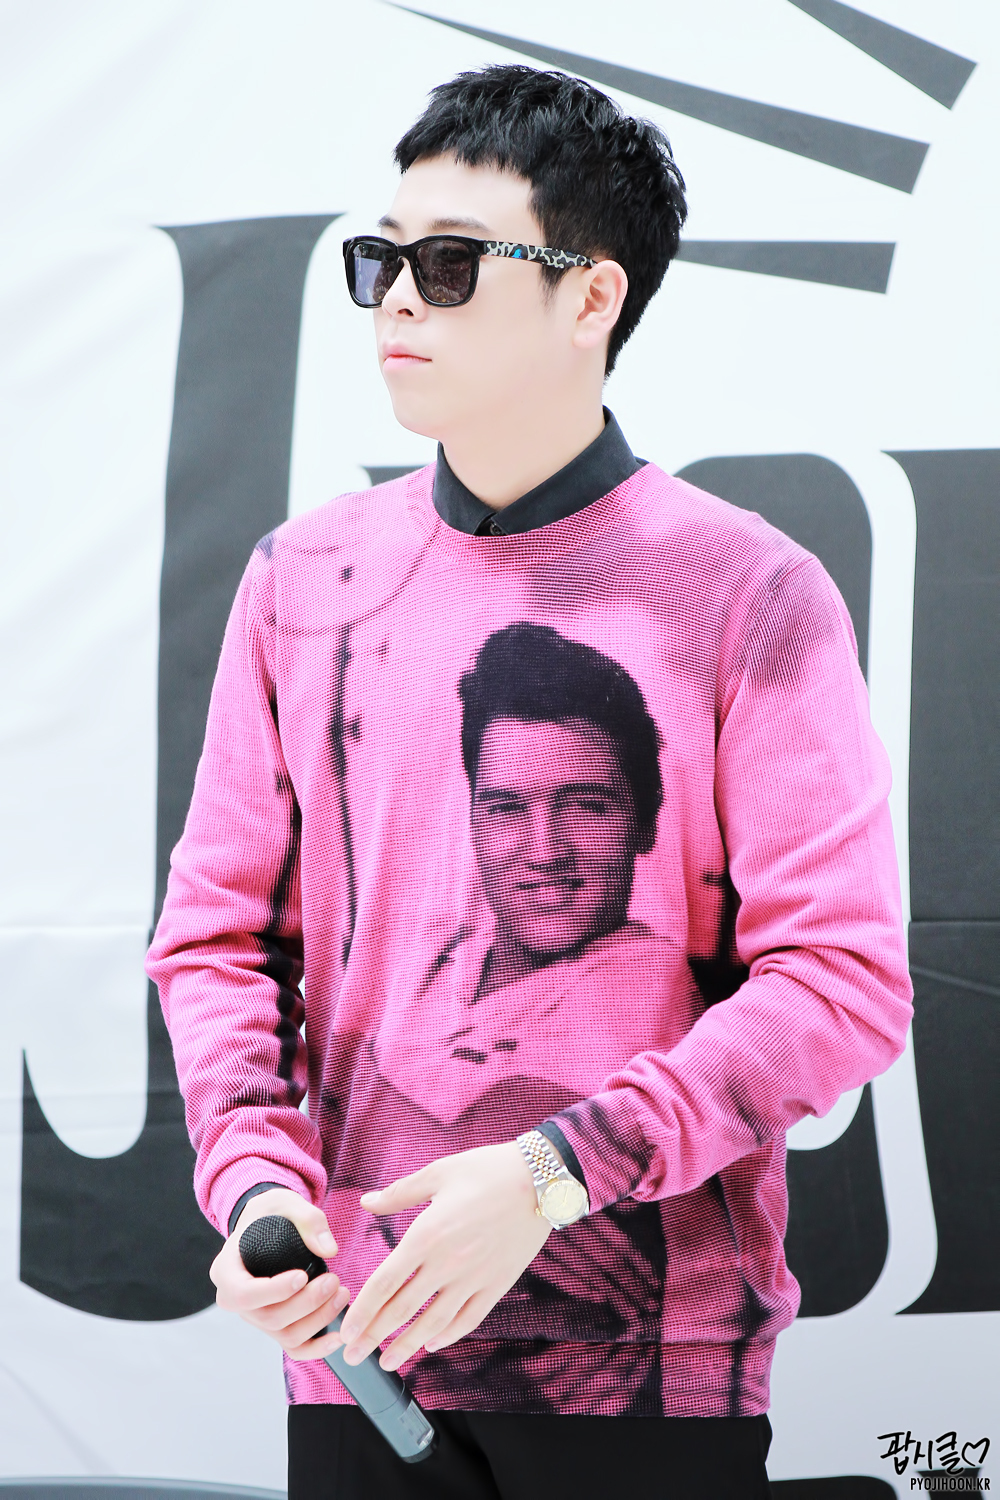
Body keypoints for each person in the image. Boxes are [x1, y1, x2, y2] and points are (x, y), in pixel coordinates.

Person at [146, 63, 912, 1500]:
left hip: (658, 1374)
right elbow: (218, 939)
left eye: (449, 264)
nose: (397, 300)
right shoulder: (304, 583)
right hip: (359, 1356)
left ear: (590, 297)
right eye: (380, 261)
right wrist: (256, 1190)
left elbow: (843, 981)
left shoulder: (752, 593)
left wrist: (558, 1171)